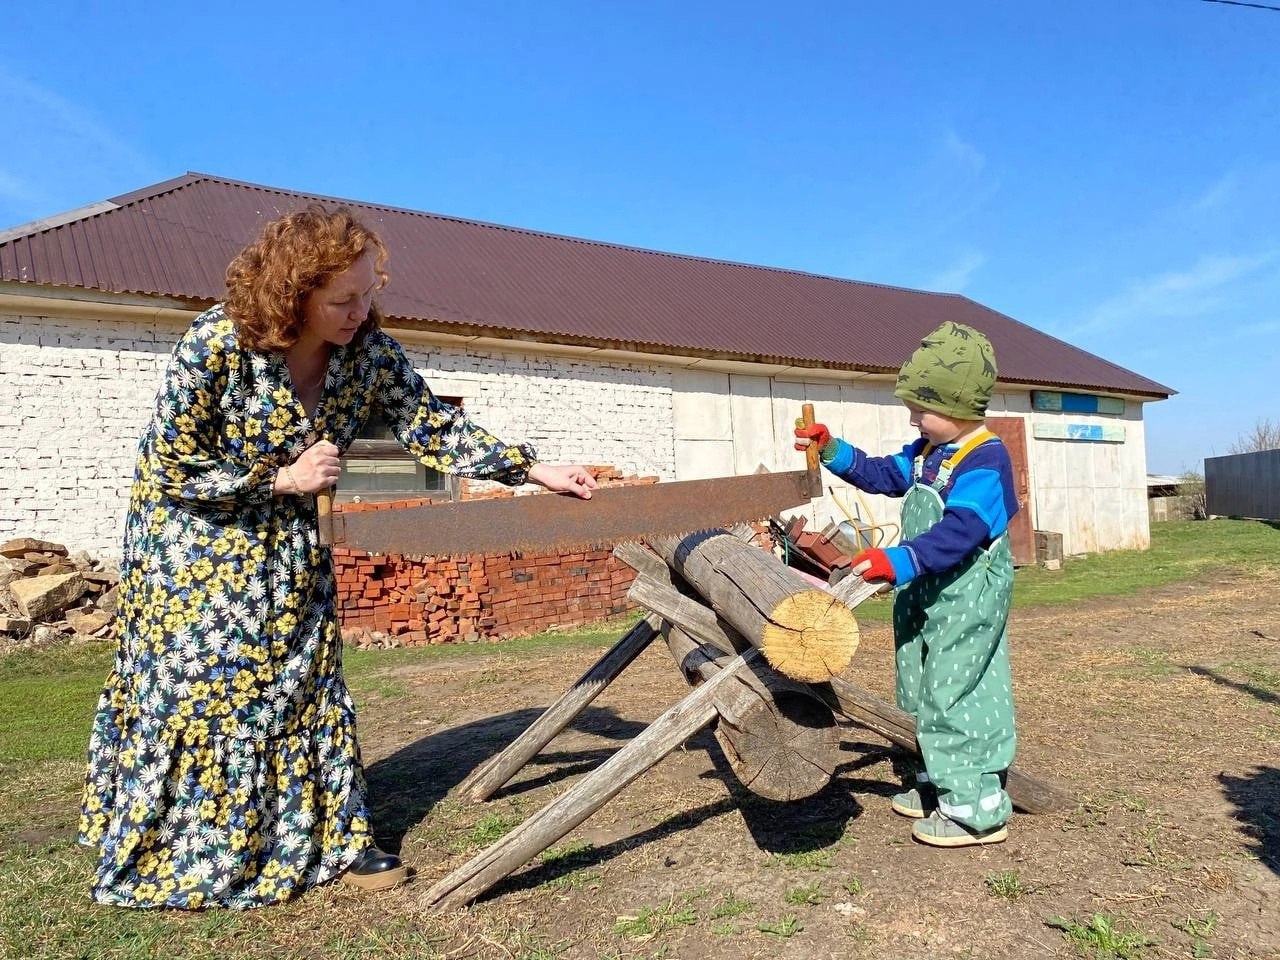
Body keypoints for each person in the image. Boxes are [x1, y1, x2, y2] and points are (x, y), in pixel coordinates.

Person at [77, 205, 598, 909]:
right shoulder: (217, 342)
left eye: (367, 293)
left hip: (288, 549)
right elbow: (168, 465)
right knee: (215, 691)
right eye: (341, 300)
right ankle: (197, 850)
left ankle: (333, 840)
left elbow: (428, 425)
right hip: (195, 545)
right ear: (294, 294)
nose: (359, 311)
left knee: (303, 683)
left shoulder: (368, 354)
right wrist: (279, 477)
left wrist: (533, 468)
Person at [794, 320, 1017, 847]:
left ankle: (973, 810)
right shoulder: (925, 453)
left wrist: (901, 560)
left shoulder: (986, 459)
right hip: (925, 592)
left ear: (959, 404)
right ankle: (936, 783)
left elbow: (961, 531)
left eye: (921, 407)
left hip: (965, 596)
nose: (912, 416)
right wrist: (833, 451)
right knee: (916, 685)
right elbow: (881, 473)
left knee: (953, 691)